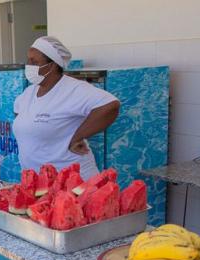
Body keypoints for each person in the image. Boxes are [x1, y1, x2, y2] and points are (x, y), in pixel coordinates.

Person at [13, 36, 120, 180]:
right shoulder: (29, 93)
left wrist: (78, 137)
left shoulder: (73, 89)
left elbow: (110, 106)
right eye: (28, 60)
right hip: (38, 181)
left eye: (34, 62)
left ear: (52, 65)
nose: (28, 65)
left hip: (72, 181)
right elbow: (19, 114)